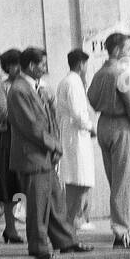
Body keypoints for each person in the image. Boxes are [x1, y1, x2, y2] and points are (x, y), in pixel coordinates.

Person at [7, 47, 92, 259]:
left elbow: (49, 119)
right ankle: (39, 246)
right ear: (32, 66)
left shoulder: (38, 88)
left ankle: (66, 240)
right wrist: (55, 145)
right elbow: (31, 126)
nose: (45, 68)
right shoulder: (19, 90)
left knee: (55, 200)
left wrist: (54, 145)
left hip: (44, 154)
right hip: (32, 155)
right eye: (42, 64)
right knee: (38, 205)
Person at [87, 32, 130, 250]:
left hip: (103, 125)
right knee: (123, 181)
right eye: (128, 47)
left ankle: (122, 227)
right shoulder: (121, 74)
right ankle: (122, 230)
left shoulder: (99, 73)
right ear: (118, 50)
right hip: (121, 125)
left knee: (115, 180)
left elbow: (91, 98)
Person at [54, 48, 97, 231]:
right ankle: (71, 219)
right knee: (78, 179)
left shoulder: (69, 81)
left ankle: (74, 219)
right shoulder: (73, 82)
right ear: (81, 64)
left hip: (74, 134)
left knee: (80, 179)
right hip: (75, 135)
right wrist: (91, 127)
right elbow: (79, 113)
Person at [0, 49, 26, 244]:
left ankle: (28, 224)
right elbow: (5, 113)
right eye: (13, 64)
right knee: (9, 183)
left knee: (25, 182)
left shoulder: (28, 84)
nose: (17, 68)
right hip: (9, 137)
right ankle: (10, 228)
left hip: (26, 137)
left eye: (20, 64)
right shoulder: (0, 87)